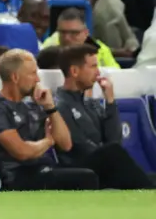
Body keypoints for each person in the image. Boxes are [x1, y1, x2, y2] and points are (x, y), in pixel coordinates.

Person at [0, 49, 99, 191]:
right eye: (32, 74)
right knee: (85, 177)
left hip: (42, 169)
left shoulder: (32, 106)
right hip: (17, 176)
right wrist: (48, 141)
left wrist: (50, 107)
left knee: (90, 172)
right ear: (15, 77)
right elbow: (22, 151)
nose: (37, 79)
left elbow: (65, 144)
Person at [55, 45, 153, 189]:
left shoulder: (90, 103)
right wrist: (106, 153)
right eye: (93, 66)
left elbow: (115, 140)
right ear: (74, 71)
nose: (98, 72)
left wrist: (110, 101)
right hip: (78, 168)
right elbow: (78, 147)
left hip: (104, 163)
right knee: (113, 154)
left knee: (151, 176)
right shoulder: (60, 105)